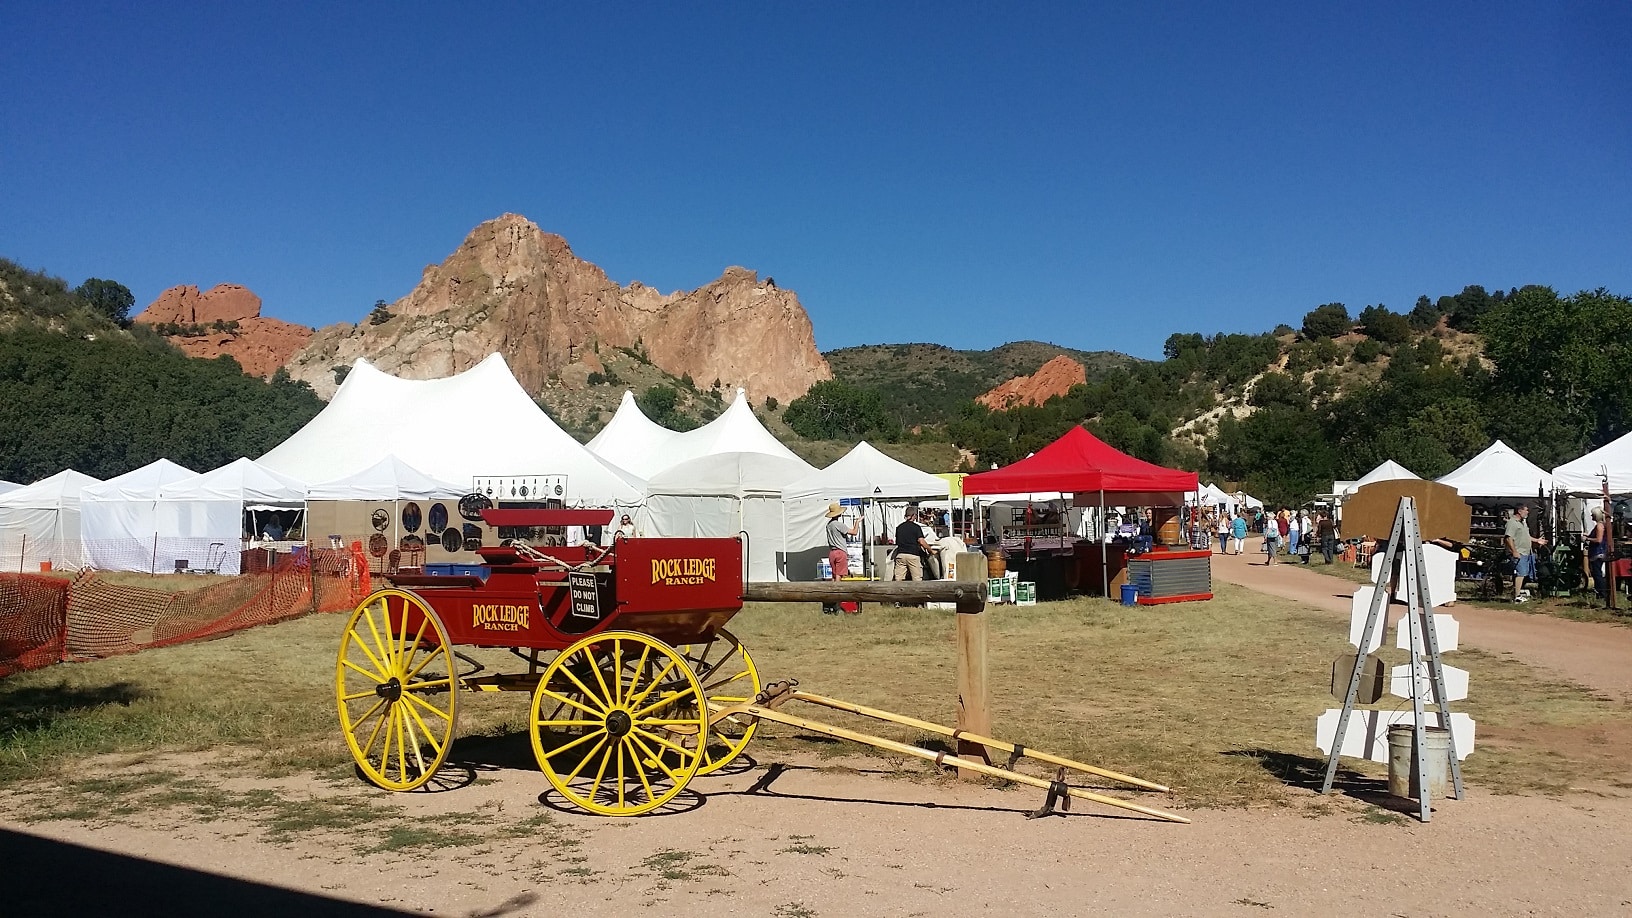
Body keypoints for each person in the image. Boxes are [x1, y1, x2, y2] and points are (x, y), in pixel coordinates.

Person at [1505, 504, 1547, 602]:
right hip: (1519, 552)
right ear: (1519, 511)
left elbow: (1526, 536)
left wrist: (1537, 540)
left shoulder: (1523, 523)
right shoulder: (1512, 523)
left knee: (1524, 574)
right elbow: (1508, 538)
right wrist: (1514, 551)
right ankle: (1517, 597)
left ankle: (1517, 593)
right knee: (1521, 574)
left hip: (1526, 552)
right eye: (1526, 510)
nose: (1527, 512)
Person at [823, 503, 859, 614]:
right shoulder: (839, 525)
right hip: (840, 552)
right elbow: (854, 532)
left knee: (834, 577)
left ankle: (831, 601)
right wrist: (857, 522)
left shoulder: (829, 525)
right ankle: (837, 604)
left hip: (832, 552)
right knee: (839, 578)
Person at [893, 506, 933, 582]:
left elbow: (897, 541)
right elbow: (921, 541)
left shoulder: (899, 527)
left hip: (900, 555)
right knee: (917, 579)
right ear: (914, 515)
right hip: (913, 555)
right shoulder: (916, 527)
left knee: (898, 580)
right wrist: (930, 550)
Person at [1586, 507, 1610, 602]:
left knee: (1597, 574)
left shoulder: (1599, 526)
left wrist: (1587, 539)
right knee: (1596, 574)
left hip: (1597, 553)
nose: (1591, 516)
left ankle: (1602, 593)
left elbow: (1598, 540)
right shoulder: (1601, 525)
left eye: (1593, 515)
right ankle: (1599, 592)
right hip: (1597, 552)